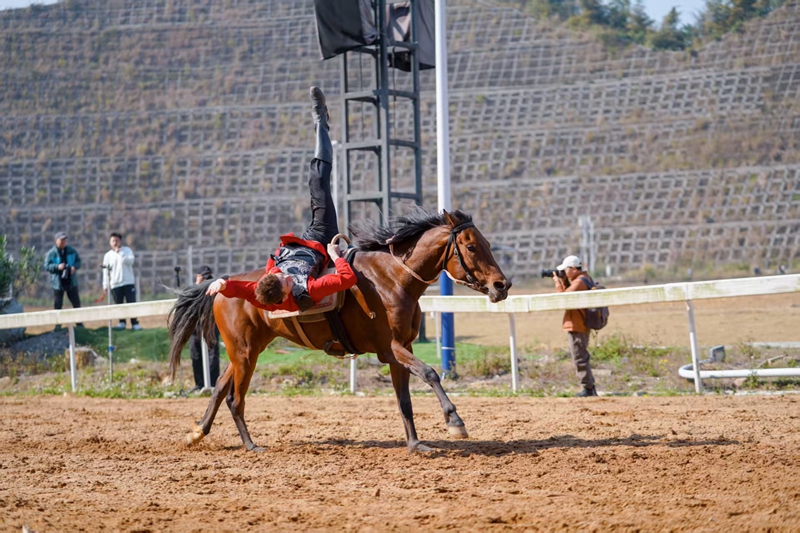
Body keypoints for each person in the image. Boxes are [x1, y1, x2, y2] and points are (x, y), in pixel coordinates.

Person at [206, 87, 357, 310]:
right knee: (318, 179)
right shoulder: (308, 289)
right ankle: (320, 121)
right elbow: (347, 279)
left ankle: (320, 123)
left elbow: (239, 289)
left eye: (280, 276)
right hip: (323, 240)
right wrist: (336, 257)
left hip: (306, 240)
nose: (287, 276)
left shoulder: (264, 286)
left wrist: (222, 283)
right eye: (286, 281)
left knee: (315, 181)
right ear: (284, 295)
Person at [552, 255, 598, 397]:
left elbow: (564, 298)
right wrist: (564, 280)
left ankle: (588, 388)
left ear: (573, 269)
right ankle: (589, 387)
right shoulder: (584, 279)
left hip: (578, 324)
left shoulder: (579, 282)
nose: (564, 273)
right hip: (579, 322)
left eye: (565, 270)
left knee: (579, 356)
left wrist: (557, 282)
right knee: (581, 355)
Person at [189, 265, 220, 392]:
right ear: (198, 277)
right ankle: (199, 384)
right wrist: (197, 286)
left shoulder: (214, 289)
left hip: (211, 325)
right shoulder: (192, 290)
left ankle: (213, 383)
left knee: (213, 356)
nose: (207, 280)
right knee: (195, 355)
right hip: (196, 327)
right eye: (205, 277)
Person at [102, 232, 142, 330]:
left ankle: (134, 323)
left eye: (117, 240)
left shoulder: (127, 251)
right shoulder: (108, 256)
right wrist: (105, 284)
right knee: (119, 304)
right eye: (113, 241)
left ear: (120, 241)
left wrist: (120, 253)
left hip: (128, 282)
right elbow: (105, 271)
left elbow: (130, 261)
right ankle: (122, 322)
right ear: (110, 242)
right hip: (115, 284)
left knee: (131, 303)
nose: (115, 243)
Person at [43, 231, 83, 328]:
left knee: (76, 303)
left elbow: (79, 261)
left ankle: (79, 324)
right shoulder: (51, 253)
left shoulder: (71, 251)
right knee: (58, 304)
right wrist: (57, 267)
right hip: (58, 282)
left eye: (64, 240)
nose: (63, 242)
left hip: (71, 281)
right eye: (61, 240)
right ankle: (57, 325)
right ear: (56, 241)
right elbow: (46, 266)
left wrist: (74, 267)